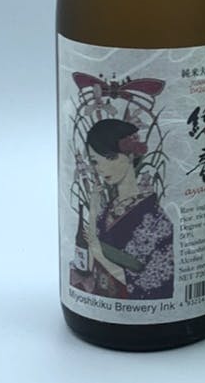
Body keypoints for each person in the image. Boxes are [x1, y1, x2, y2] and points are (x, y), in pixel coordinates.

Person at [71, 119, 174, 300]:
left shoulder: (155, 219)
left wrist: (99, 254)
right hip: (99, 299)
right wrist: (93, 208)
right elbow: (90, 252)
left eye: (110, 157)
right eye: (95, 161)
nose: (102, 168)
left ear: (131, 155)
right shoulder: (108, 209)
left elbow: (152, 284)